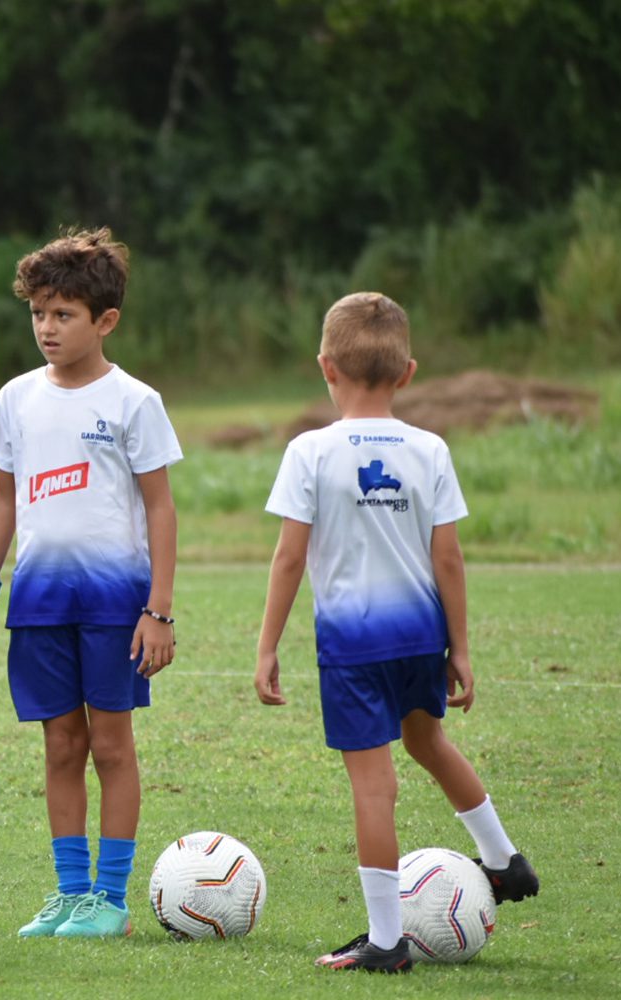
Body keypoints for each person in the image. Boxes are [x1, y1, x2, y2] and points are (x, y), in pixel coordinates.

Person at [253, 292, 539, 974]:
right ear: (408, 372)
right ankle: (504, 861)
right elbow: (449, 558)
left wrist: (267, 646)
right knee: (427, 739)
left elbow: (290, 556)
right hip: (419, 636)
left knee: (373, 786)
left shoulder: (310, 450)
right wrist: (460, 647)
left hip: (353, 648)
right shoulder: (430, 449)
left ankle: (386, 941)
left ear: (325, 366)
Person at [0, 228, 182, 939]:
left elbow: (161, 507)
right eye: (38, 313)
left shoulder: (134, 402)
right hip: (39, 600)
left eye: (64, 315)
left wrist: (160, 611)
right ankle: (69, 895)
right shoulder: (15, 399)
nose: (47, 328)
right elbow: (3, 499)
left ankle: (110, 903)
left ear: (105, 321)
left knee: (112, 746)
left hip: (117, 604)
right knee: (61, 745)